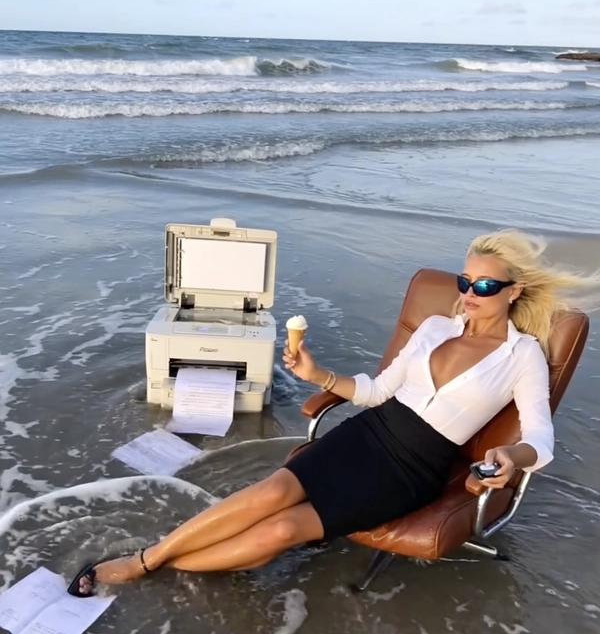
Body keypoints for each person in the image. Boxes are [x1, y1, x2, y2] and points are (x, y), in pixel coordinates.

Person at [68, 230, 596, 597]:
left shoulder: (522, 354)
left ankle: (159, 563)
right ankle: (145, 562)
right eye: (464, 282)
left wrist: (511, 454)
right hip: (370, 432)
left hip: (412, 470)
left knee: (277, 536)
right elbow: (376, 389)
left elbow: (540, 440)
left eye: (483, 286)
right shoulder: (437, 328)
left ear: (514, 291)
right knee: (270, 494)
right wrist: (317, 374)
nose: (469, 294)